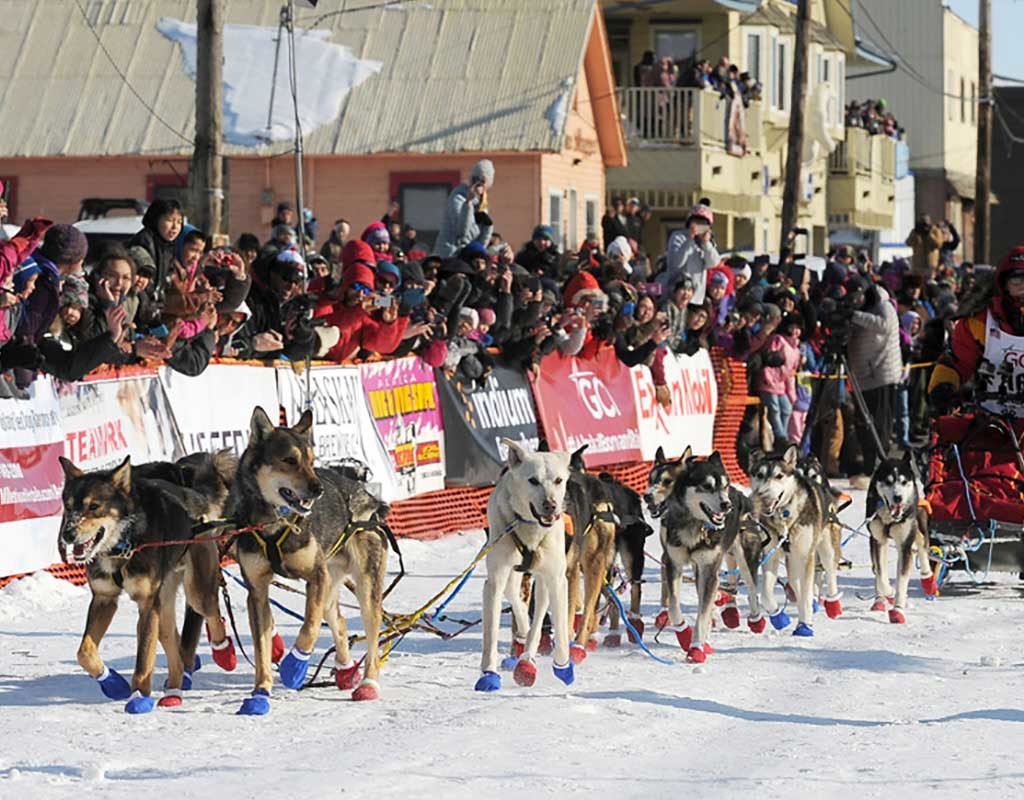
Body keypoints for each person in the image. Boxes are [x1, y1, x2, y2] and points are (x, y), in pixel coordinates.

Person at [930, 247, 1024, 415]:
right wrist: (944, 385)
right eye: (1017, 281)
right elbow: (957, 361)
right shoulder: (980, 323)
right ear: (1004, 285)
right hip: (992, 417)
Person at [845, 275, 902, 481]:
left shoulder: (884, 306)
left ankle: (879, 464)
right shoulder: (866, 311)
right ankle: (870, 464)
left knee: (878, 424)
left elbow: (884, 325)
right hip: (864, 375)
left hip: (881, 375)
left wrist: (854, 315)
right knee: (864, 423)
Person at [658, 203, 720, 304]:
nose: (699, 226)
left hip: (696, 298)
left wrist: (706, 244)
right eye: (696, 222)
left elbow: (713, 263)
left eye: (703, 223)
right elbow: (676, 263)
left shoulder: (707, 243)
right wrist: (690, 240)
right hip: (677, 295)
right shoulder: (678, 236)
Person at [433, 160, 495, 257]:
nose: (478, 184)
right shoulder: (458, 197)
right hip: (449, 253)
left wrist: (488, 225)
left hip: (468, 255)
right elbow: (461, 232)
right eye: (475, 179)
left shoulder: (482, 204)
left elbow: (483, 238)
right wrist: (468, 203)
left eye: (482, 181)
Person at [905, 215, 944, 281]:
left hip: (930, 265)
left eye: (925, 224)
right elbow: (908, 243)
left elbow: (939, 244)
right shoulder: (916, 232)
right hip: (918, 265)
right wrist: (915, 233)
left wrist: (929, 234)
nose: (924, 227)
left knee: (929, 283)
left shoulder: (935, 231)